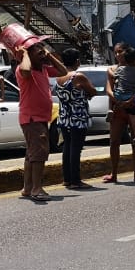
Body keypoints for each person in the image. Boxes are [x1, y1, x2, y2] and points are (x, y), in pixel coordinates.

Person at [15, 39, 66, 204]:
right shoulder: (23, 69)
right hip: (32, 118)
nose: (41, 53)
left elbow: (63, 70)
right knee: (39, 154)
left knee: (32, 154)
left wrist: (49, 55)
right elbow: (25, 70)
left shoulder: (43, 69)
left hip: (41, 117)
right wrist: (24, 53)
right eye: (37, 51)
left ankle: (28, 188)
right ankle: (37, 188)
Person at [54, 47, 96, 191]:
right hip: (78, 118)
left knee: (67, 147)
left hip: (64, 117)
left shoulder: (59, 76)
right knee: (76, 149)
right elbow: (93, 91)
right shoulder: (78, 76)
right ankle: (75, 180)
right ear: (77, 61)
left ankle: (67, 179)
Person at [104, 44, 135, 185]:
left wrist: (130, 100)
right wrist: (117, 100)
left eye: (120, 52)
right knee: (114, 142)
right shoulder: (112, 70)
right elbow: (108, 89)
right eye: (115, 52)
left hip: (132, 106)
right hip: (118, 108)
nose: (117, 55)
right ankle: (114, 173)